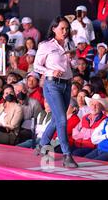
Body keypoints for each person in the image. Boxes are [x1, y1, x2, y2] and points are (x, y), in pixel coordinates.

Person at [33, 16, 79, 168]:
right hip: (52, 85)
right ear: (54, 29)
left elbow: (75, 64)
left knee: (56, 119)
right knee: (62, 120)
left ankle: (42, 144)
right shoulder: (45, 45)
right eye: (62, 28)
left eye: (67, 29)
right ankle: (67, 155)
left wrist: (73, 58)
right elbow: (36, 66)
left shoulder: (70, 43)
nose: (65, 31)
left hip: (67, 84)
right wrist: (51, 71)